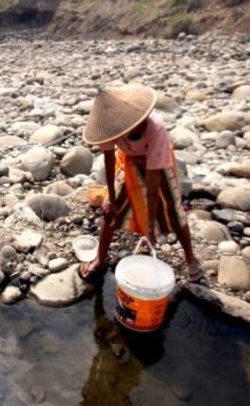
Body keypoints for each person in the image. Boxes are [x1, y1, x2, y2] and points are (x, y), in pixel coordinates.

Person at [78, 84, 202, 283]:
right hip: (128, 161)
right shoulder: (110, 127)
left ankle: (191, 260)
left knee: (173, 209)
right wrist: (110, 196)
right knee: (111, 210)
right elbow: (109, 159)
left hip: (159, 165)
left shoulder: (155, 127)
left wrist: (150, 224)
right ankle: (100, 259)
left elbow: (153, 179)